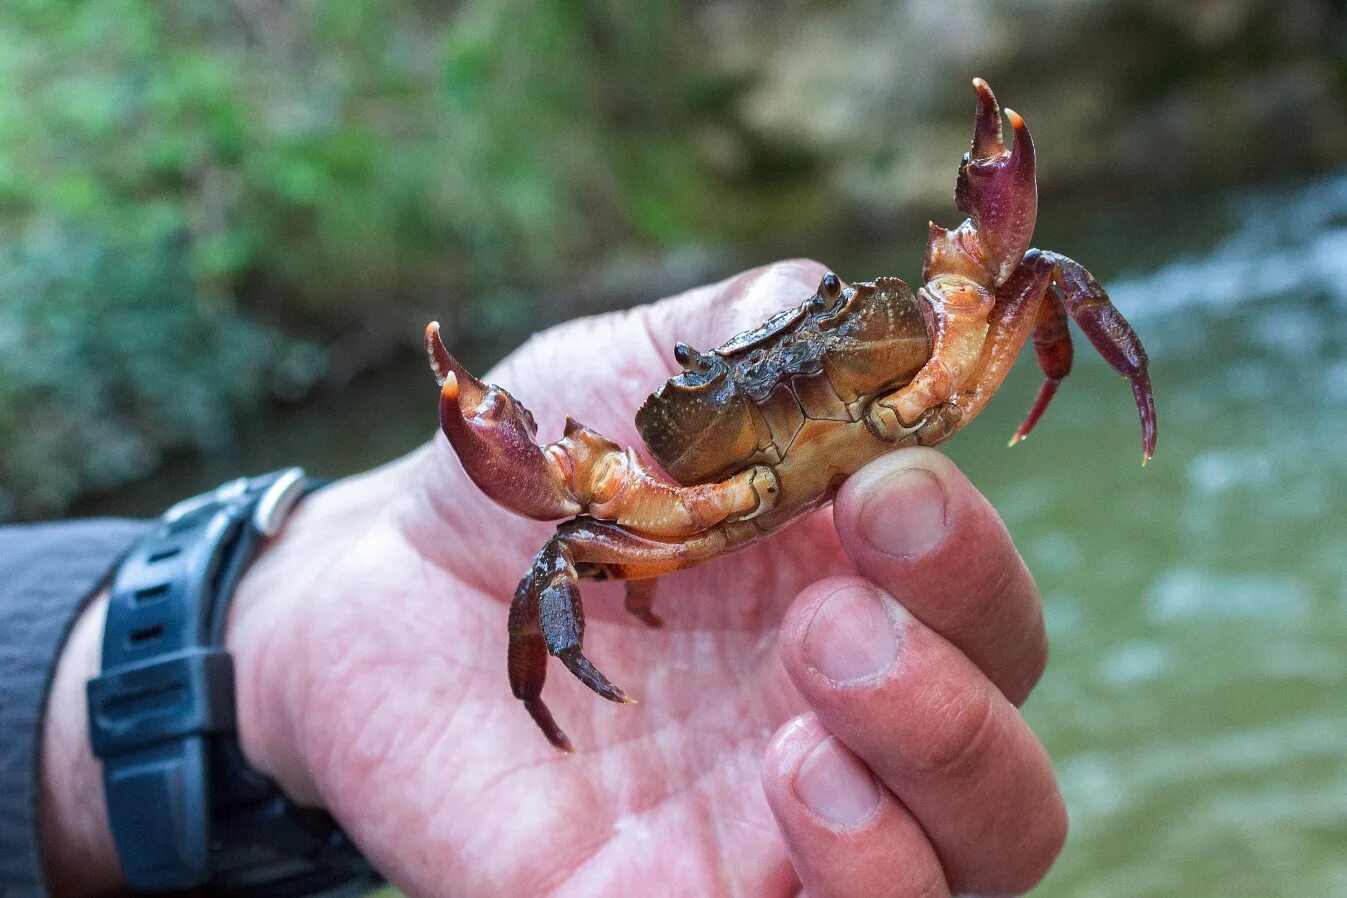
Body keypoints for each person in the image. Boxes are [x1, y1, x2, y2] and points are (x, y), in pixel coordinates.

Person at [5, 260, 1066, 897]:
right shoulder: (653, 513)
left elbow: (1019, 274)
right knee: (552, 561)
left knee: (1044, 271)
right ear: (677, 404)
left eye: (818, 327)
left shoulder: (926, 341)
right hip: (709, 514)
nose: (780, 375)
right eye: (726, 380)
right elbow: (560, 547)